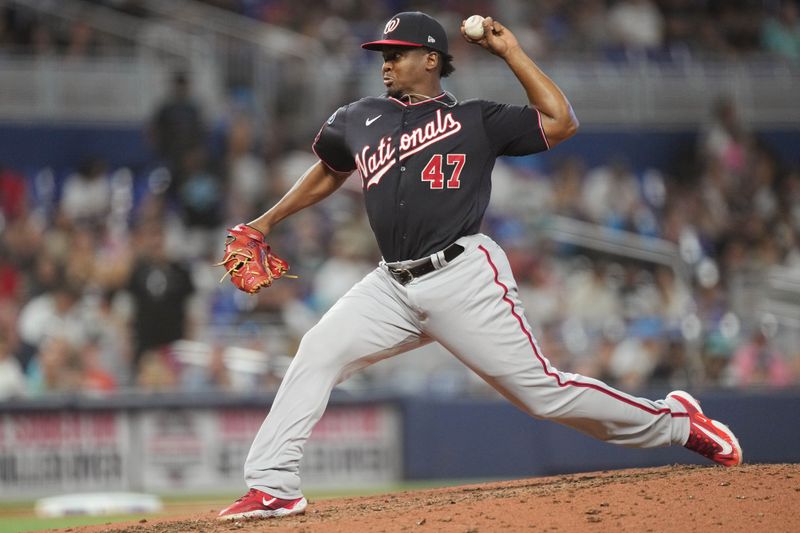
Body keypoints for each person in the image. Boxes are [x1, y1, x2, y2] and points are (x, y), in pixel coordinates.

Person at [217, 12, 742, 521]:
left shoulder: (476, 119)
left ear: (430, 59)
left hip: (462, 275)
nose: (385, 62)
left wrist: (510, 51)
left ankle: (677, 422)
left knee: (544, 394)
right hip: (391, 284)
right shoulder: (360, 116)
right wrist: (265, 222)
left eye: (397, 54)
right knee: (318, 350)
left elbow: (562, 122)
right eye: (382, 54)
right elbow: (331, 170)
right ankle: (273, 486)